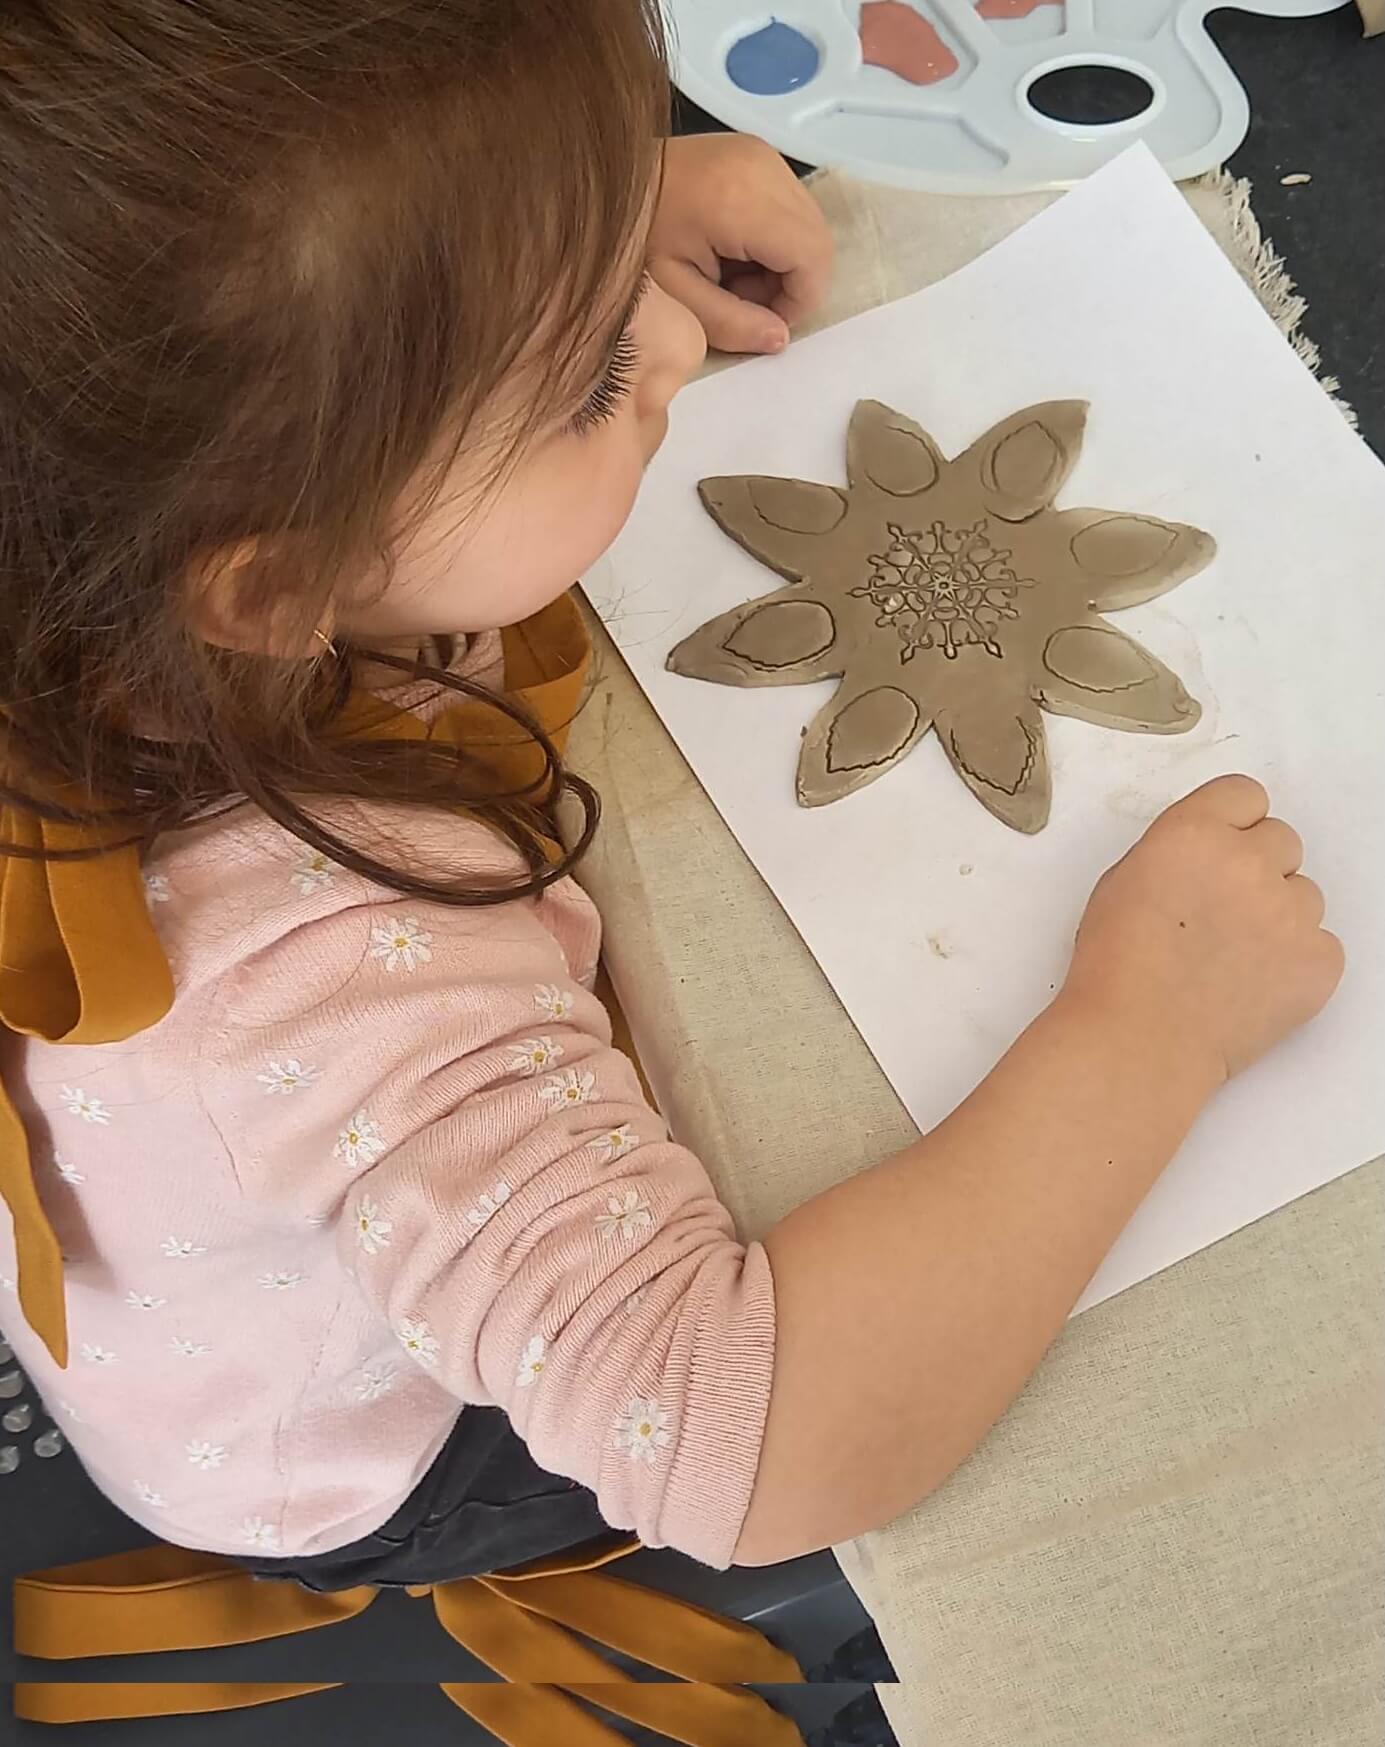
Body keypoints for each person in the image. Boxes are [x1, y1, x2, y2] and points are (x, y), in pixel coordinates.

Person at [0, 0, 1342, 1589]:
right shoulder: (324, 974)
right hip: (362, 1448)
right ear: (272, 580)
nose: (684, 344)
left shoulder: (96, 477)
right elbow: (757, 1444)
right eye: (581, 383)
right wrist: (1146, 1031)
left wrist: (572, 217)